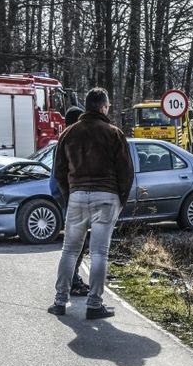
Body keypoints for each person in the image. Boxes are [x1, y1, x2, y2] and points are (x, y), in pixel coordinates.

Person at [47, 88, 134, 320]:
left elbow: (59, 172)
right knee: (99, 253)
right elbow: (126, 172)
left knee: (69, 250)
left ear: (87, 106)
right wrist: (120, 200)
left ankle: (59, 301)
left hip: (77, 195)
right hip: (106, 196)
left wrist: (70, 194)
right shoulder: (114, 134)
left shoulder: (68, 133)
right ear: (104, 107)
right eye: (107, 107)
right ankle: (94, 304)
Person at [50, 106, 91, 297]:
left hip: (70, 200)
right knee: (76, 245)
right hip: (73, 201)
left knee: (78, 245)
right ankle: (71, 284)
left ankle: (72, 281)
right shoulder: (68, 144)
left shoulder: (64, 141)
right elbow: (57, 179)